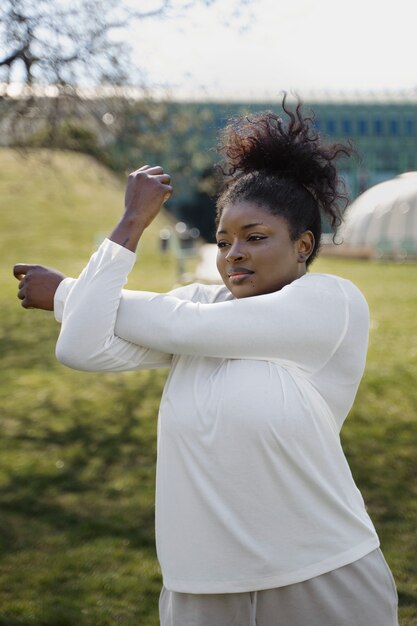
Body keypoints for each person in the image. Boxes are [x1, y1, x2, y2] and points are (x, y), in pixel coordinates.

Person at [14, 97, 399, 626]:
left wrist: (64, 294)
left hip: (323, 575)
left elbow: (178, 326)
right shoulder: (197, 306)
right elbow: (80, 347)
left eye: (255, 238)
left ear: (303, 245)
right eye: (223, 242)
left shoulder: (331, 303)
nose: (233, 253)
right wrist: (130, 223)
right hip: (201, 588)